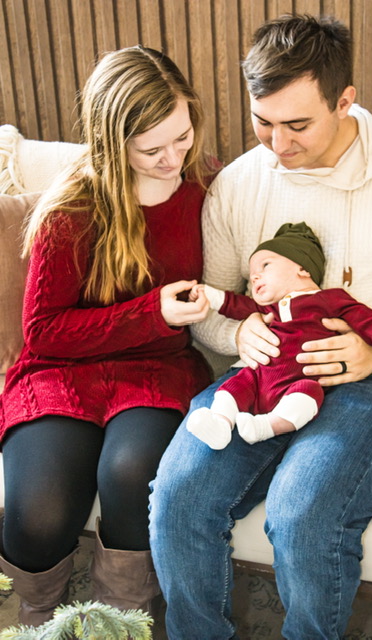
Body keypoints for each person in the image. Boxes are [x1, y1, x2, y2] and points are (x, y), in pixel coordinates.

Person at [149, 14, 372, 640]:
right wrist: (235, 337)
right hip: (263, 376)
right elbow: (212, 307)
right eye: (262, 121)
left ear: (345, 100)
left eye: (297, 123)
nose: (277, 144)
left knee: (302, 513)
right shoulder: (240, 185)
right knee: (178, 496)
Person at [0, 45, 216, 627]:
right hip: (60, 372)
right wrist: (150, 312)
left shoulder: (205, 186)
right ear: (110, 143)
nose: (174, 158)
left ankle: (119, 622)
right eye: (152, 149)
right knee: (39, 509)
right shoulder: (71, 206)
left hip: (157, 370)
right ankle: (34, 620)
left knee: (129, 472)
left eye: (182, 134)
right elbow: (42, 333)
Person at [187, 222, 372, 449]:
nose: (255, 277)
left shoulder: (328, 299)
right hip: (259, 378)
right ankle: (220, 424)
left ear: (302, 269)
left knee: (308, 396)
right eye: (252, 273)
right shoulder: (267, 311)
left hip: (301, 379)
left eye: (265, 266)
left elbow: (366, 319)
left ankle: (266, 427)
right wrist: (210, 294)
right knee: (232, 387)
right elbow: (235, 304)